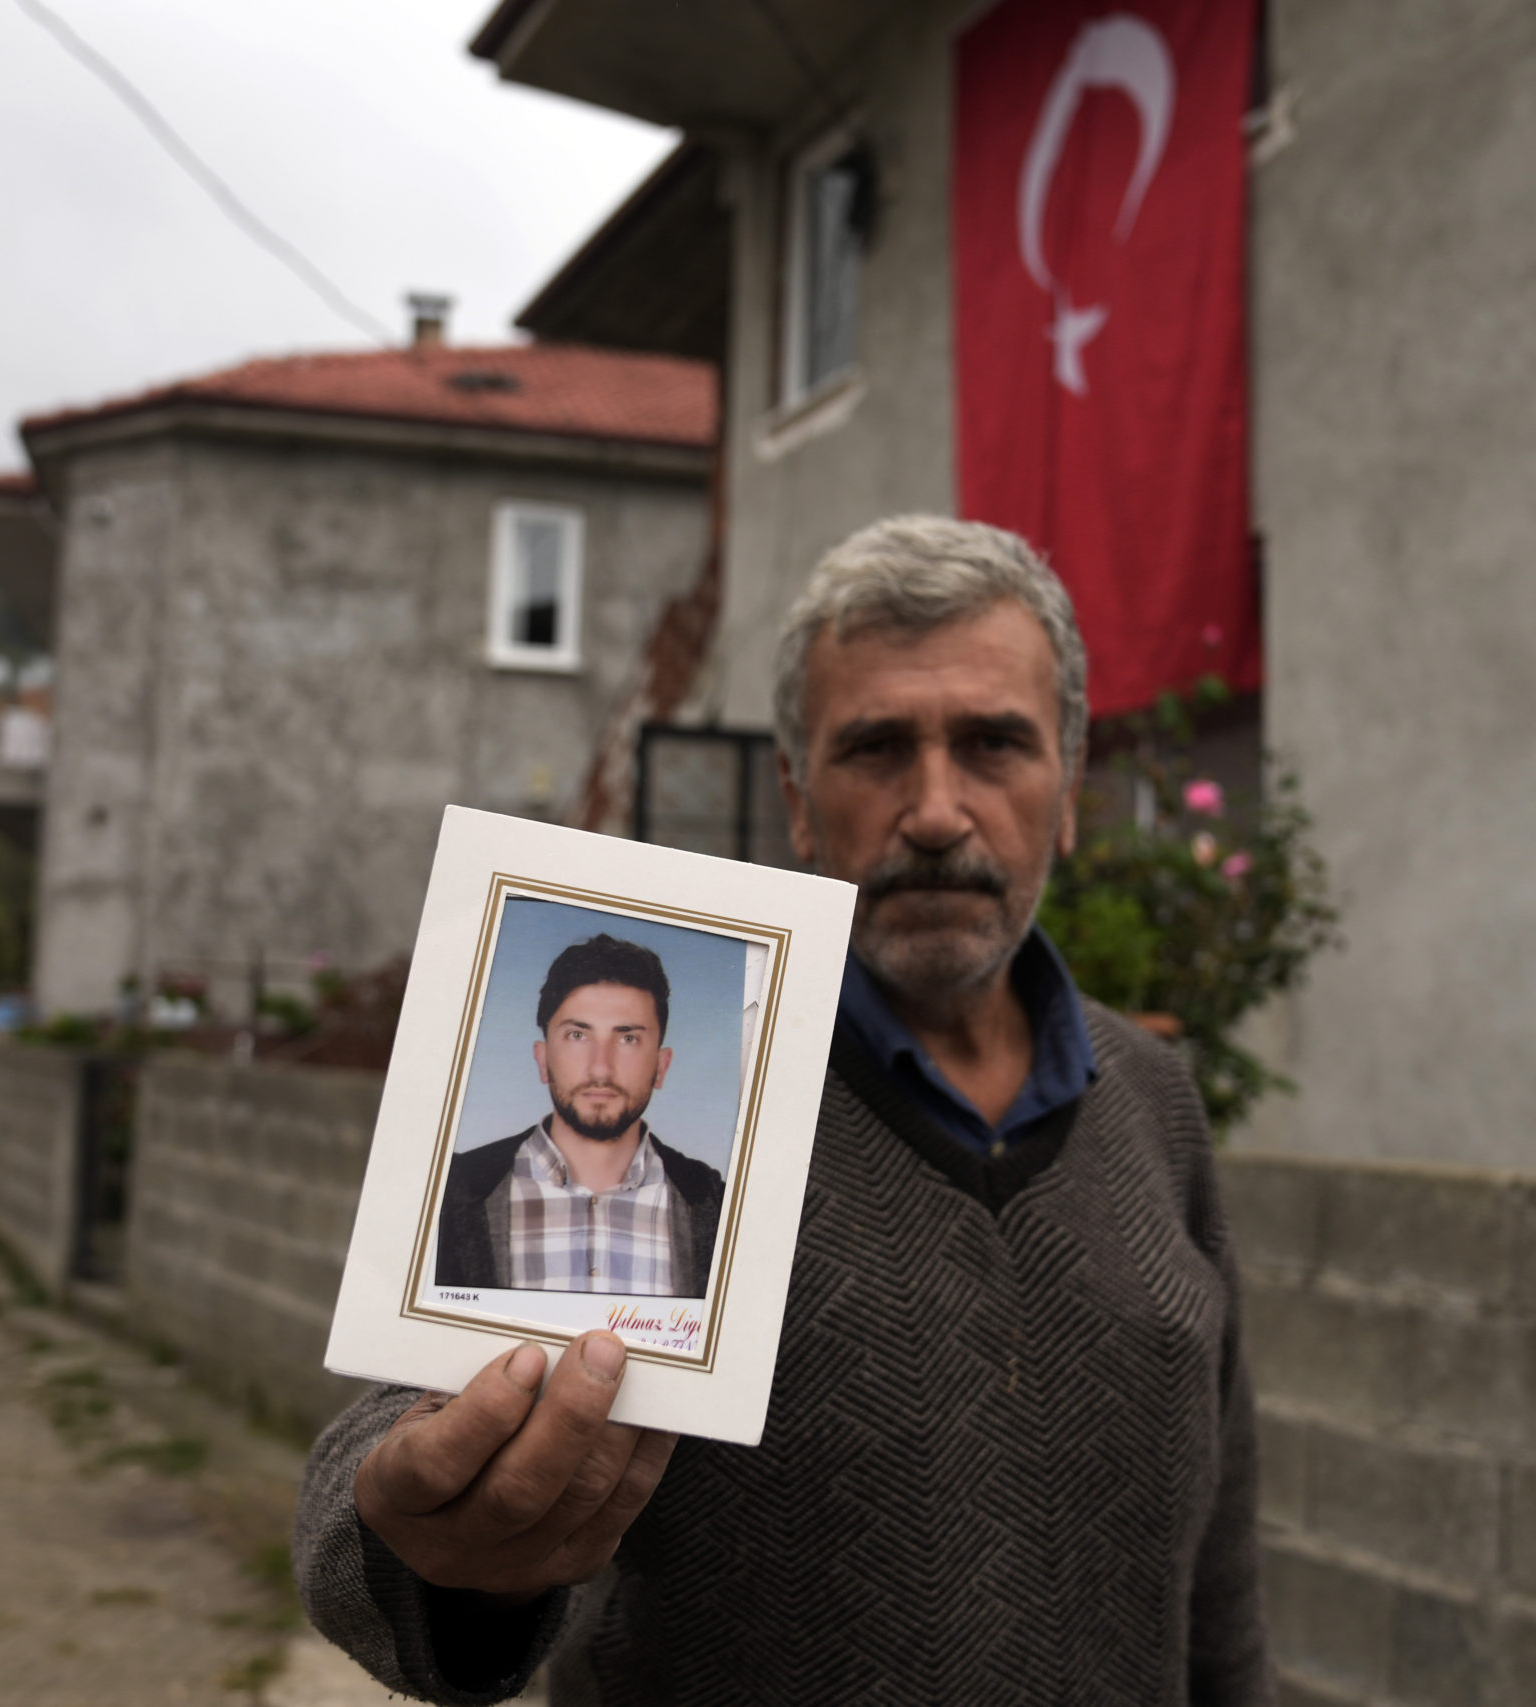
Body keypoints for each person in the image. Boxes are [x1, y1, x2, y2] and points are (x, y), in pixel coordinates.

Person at [294, 516, 1271, 1706]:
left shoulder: (1155, 1102)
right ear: (798, 800)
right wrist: (436, 1548)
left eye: (993, 745)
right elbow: (394, 1445)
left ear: (1067, 787)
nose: (934, 810)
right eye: (873, 750)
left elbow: (1217, 1588)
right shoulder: (699, 1092)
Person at [432, 932, 724, 1299]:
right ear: (542, 1059)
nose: (600, 1068)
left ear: (661, 1066)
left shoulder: (717, 1205)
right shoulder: (448, 1190)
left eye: (628, 1038)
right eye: (577, 1035)